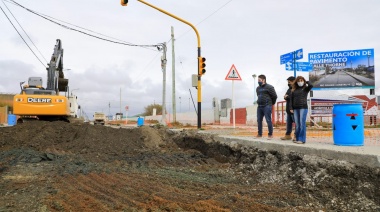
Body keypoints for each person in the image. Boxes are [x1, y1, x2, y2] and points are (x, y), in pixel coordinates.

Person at [289, 76, 313, 144]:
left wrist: (307, 82)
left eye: (301, 80)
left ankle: (302, 139)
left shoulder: (305, 89)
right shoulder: (293, 90)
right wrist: (291, 108)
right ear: (296, 82)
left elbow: (311, 85)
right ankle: (297, 137)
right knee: (297, 124)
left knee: (302, 123)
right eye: (299, 80)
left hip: (303, 107)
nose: (300, 82)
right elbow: (291, 99)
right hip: (295, 108)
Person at [255, 74, 277, 139]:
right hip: (260, 106)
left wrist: (271, 103)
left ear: (263, 80)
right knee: (259, 120)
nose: (258, 81)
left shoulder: (270, 87)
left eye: (259, 80)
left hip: (267, 106)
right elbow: (258, 96)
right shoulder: (258, 88)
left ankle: (270, 134)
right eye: (258, 80)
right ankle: (259, 134)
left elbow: (274, 96)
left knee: (268, 120)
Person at [280, 76, 296, 141]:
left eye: (289, 82)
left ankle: (296, 135)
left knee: (296, 123)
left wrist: (288, 97)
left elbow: (294, 98)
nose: (288, 83)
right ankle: (288, 135)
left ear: (293, 81)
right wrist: (286, 97)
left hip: (294, 109)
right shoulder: (289, 89)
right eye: (288, 82)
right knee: (289, 124)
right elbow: (286, 96)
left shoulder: (296, 89)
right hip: (288, 109)